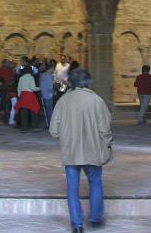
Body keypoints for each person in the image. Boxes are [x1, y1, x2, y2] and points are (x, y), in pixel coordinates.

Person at [49, 67, 112, 233]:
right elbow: (105, 129)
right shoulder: (97, 101)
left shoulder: (63, 101)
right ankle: (96, 217)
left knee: (72, 188)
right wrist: (107, 144)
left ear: (71, 82)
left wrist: (67, 133)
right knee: (96, 182)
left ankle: (77, 224)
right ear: (88, 82)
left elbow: (54, 131)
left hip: (71, 152)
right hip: (93, 150)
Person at [15, 62, 41, 132]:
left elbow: (19, 88)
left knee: (24, 113)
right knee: (34, 111)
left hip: (23, 95)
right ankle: (35, 126)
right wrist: (39, 88)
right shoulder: (31, 77)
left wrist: (20, 96)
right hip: (30, 96)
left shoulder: (21, 78)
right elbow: (33, 88)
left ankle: (24, 128)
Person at [40, 59, 56, 127]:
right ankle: (50, 124)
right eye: (53, 69)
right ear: (51, 68)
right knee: (50, 110)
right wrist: (54, 92)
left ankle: (48, 123)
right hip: (48, 95)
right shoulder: (49, 76)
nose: (54, 70)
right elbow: (50, 87)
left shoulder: (43, 74)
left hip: (44, 94)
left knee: (47, 110)